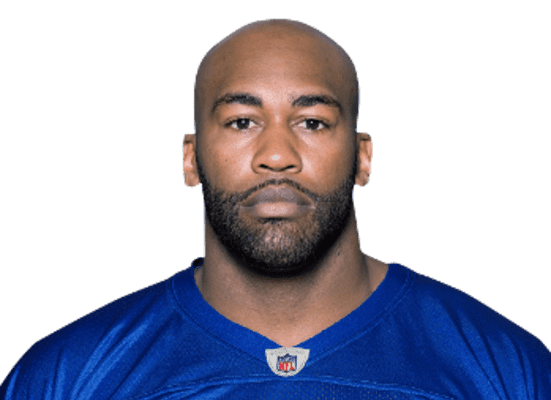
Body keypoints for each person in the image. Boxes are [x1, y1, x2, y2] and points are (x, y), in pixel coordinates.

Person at [1, 18, 549, 400]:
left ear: (362, 157)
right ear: (191, 159)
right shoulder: (67, 377)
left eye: (312, 122)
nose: (278, 155)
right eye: (242, 122)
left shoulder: (506, 368)